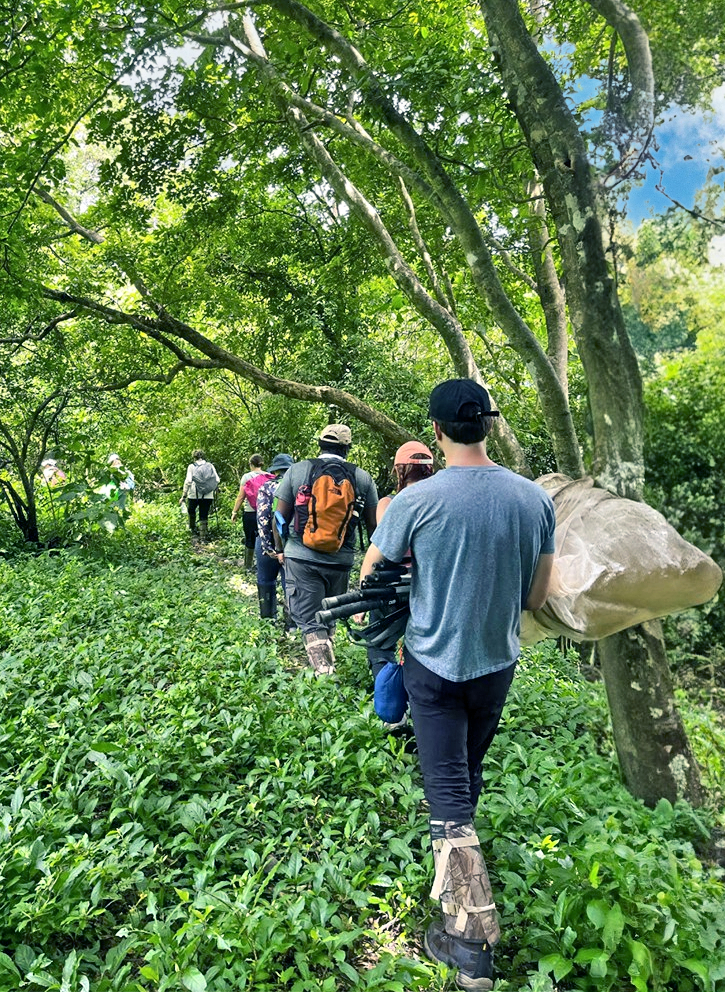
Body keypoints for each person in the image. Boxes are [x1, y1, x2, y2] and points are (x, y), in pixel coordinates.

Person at [359, 379, 554, 991]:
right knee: (465, 771)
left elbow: (371, 576)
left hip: (434, 665)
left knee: (444, 791)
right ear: (489, 426)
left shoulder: (418, 501)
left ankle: (468, 942)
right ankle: (457, 859)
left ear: (437, 431)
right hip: (497, 664)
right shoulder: (533, 500)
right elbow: (538, 597)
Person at [275, 423, 378, 676]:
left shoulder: (298, 470)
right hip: (340, 560)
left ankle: (326, 677)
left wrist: (281, 549)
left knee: (311, 621)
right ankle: (328, 665)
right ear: (347, 448)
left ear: (319, 443)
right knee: (328, 614)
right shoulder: (362, 477)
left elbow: (278, 517)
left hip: (301, 557)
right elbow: (375, 526)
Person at [369, 439, 436, 728]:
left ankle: (393, 713)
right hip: (432, 590)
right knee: (420, 648)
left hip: (391, 586)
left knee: (380, 645)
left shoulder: (389, 503)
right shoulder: (441, 503)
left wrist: (365, 592)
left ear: (400, 471)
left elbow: (382, 549)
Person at [254, 453, 294, 625]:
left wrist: (268, 548)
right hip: (292, 545)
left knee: (266, 580)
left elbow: (262, 519)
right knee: (290, 584)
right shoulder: (298, 487)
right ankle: (291, 625)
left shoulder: (267, 487)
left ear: (275, 470)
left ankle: (268, 621)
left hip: (269, 543)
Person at [230, 454, 271, 571]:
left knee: (250, 538)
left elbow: (241, 497)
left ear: (251, 464)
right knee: (265, 537)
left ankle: (248, 566)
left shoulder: (247, 477)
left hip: (250, 513)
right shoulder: (268, 476)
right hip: (266, 513)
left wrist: (234, 512)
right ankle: (263, 565)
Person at [180, 450, 220, 541]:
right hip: (208, 495)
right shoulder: (210, 465)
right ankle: (203, 536)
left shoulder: (191, 467)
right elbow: (217, 479)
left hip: (194, 494)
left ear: (194, 457)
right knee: (204, 514)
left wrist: (184, 495)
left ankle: (193, 531)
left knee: (191, 511)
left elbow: (188, 481)